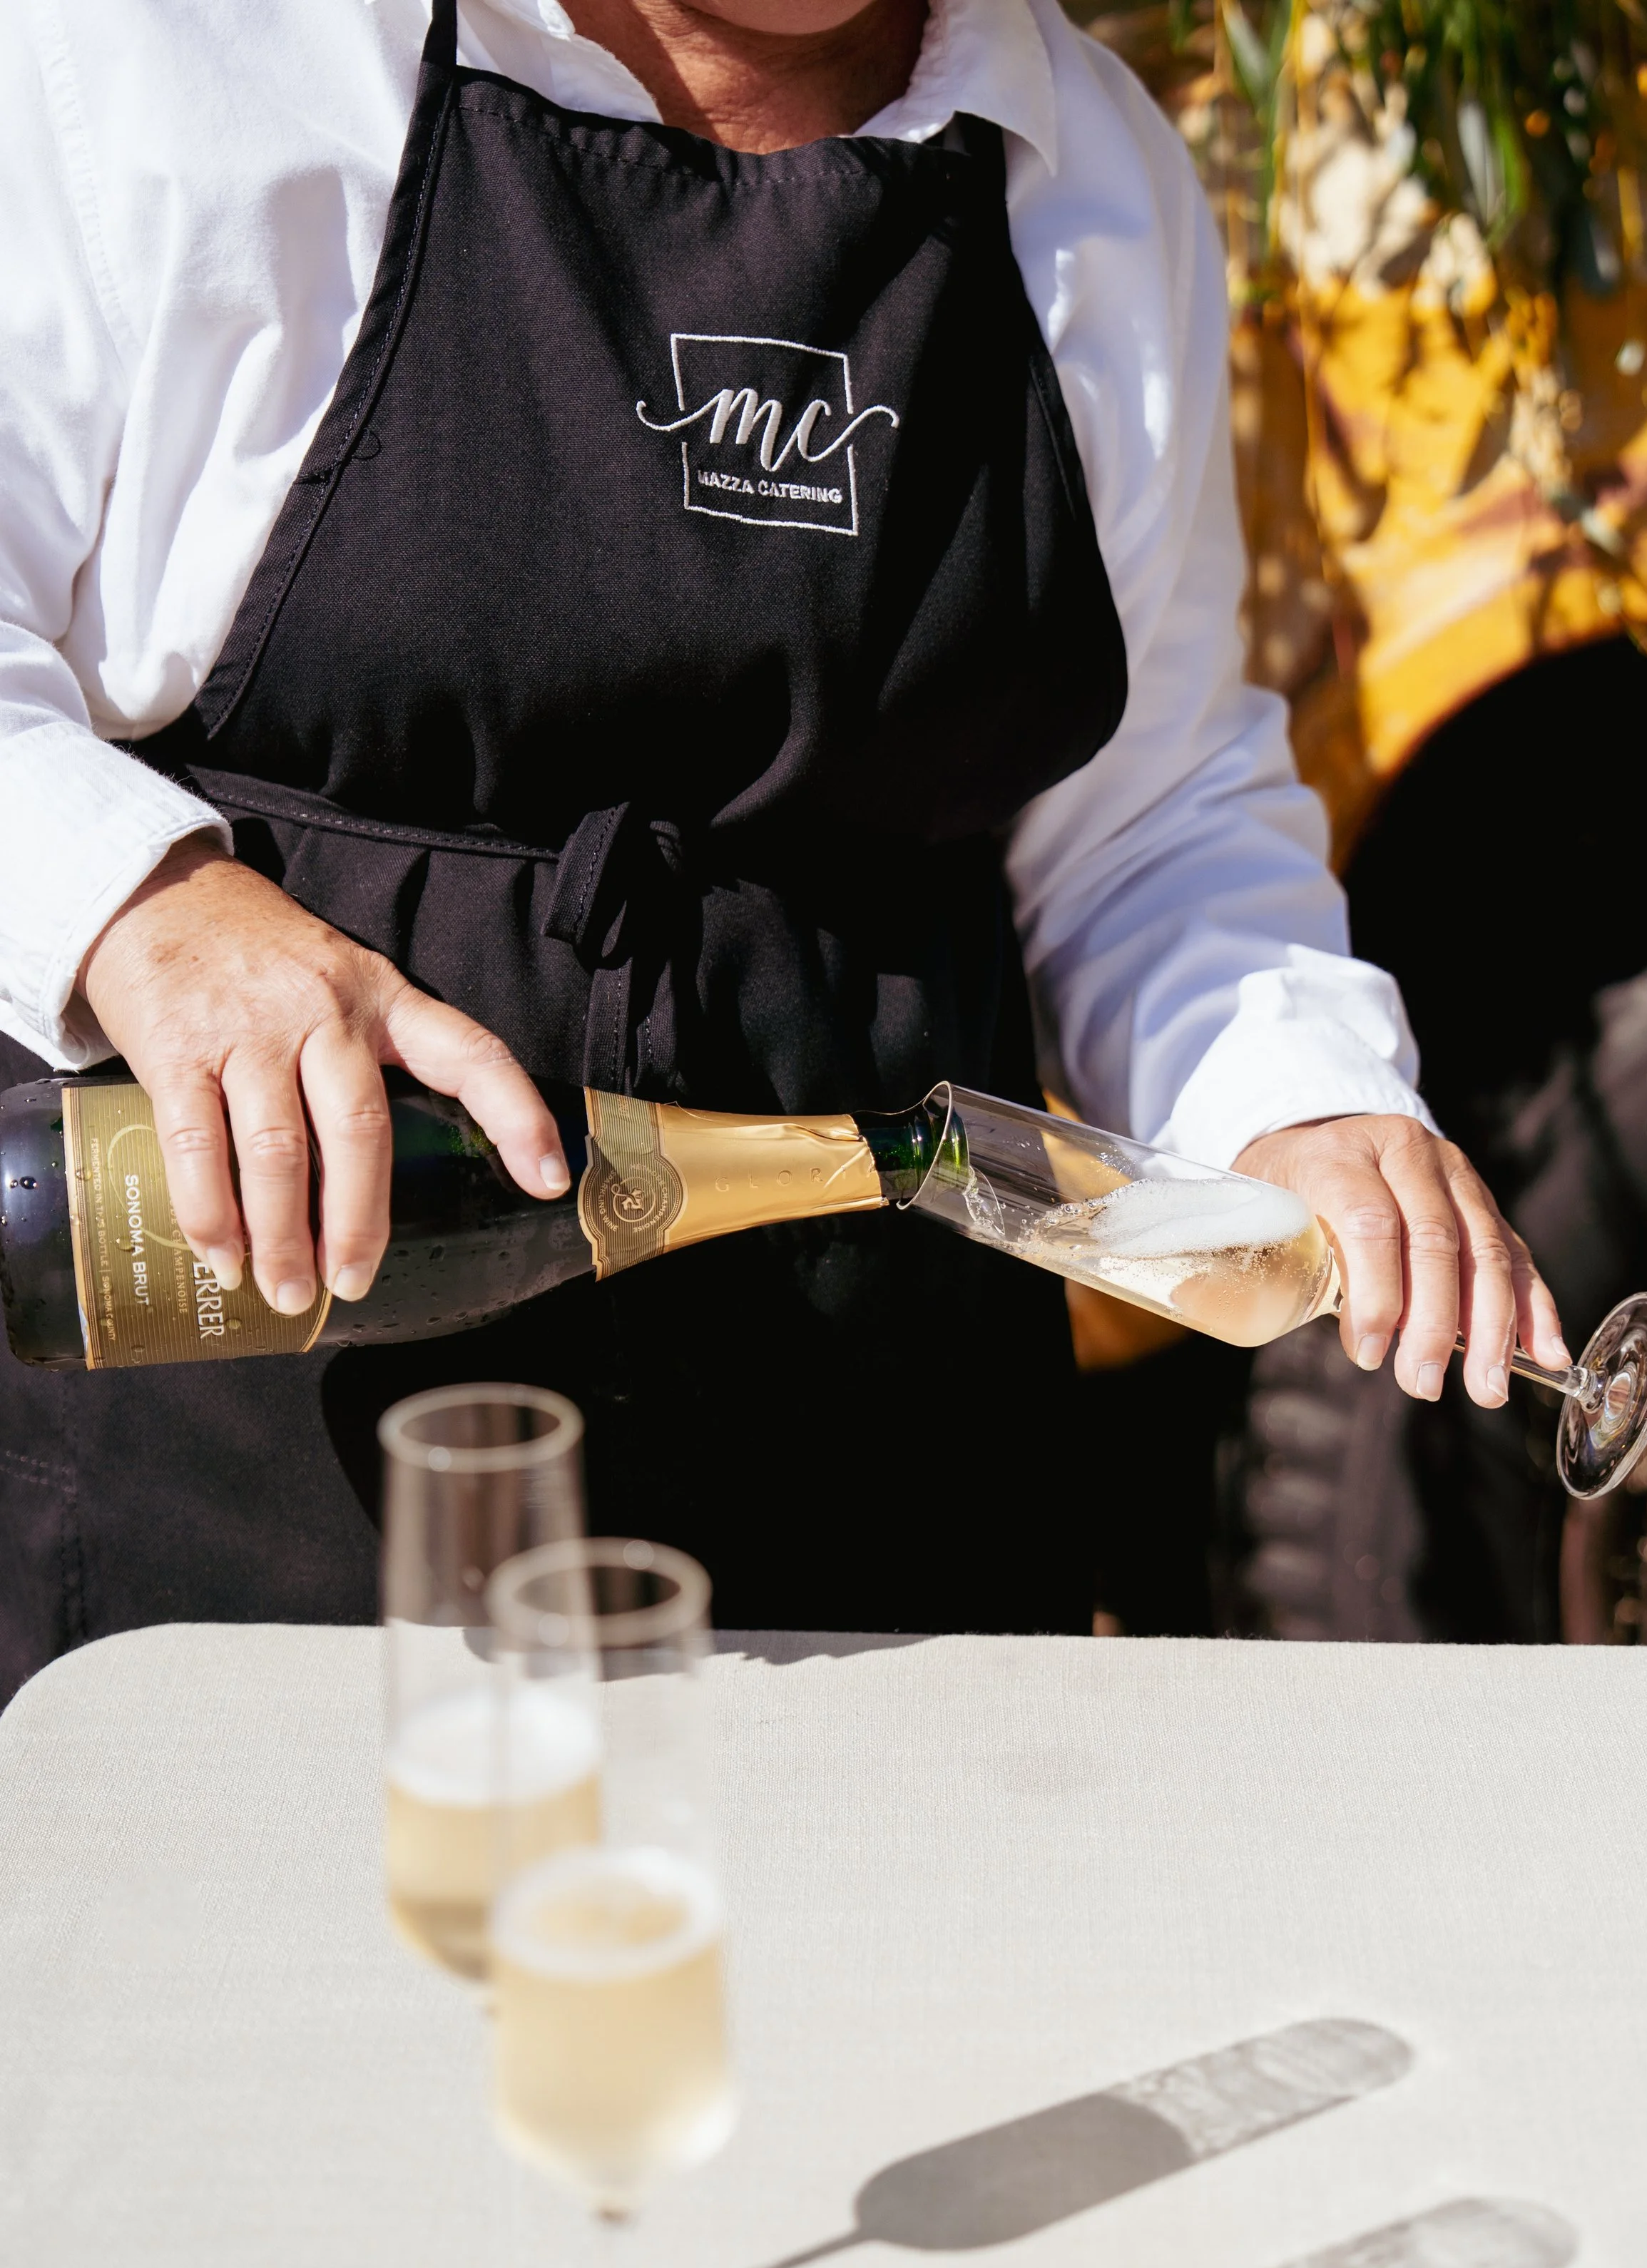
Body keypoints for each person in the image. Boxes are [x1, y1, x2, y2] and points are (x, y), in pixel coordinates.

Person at [0, 0, 1568, 1684]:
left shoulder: (1087, 176)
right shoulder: (168, 56)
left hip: (890, 1514)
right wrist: (147, 908)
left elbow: (1147, 817)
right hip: (260, 1521)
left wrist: (1301, 1096)